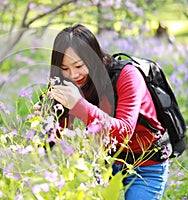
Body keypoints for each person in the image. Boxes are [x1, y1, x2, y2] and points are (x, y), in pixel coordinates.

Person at [34, 24, 169, 200]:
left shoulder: (127, 75)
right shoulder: (68, 83)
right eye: (65, 69)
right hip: (104, 160)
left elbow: (124, 131)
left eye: (79, 65)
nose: (73, 75)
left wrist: (78, 103)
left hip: (146, 163)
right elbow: (61, 135)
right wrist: (47, 120)